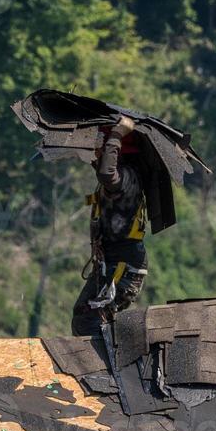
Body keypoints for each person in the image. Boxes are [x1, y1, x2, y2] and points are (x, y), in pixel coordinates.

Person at [72, 114, 148, 335]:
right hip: (112, 263)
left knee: (91, 319)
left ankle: (104, 368)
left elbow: (107, 173)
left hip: (123, 267)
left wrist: (116, 134)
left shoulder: (125, 179)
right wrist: (97, 151)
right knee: (83, 316)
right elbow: (102, 169)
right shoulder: (124, 177)